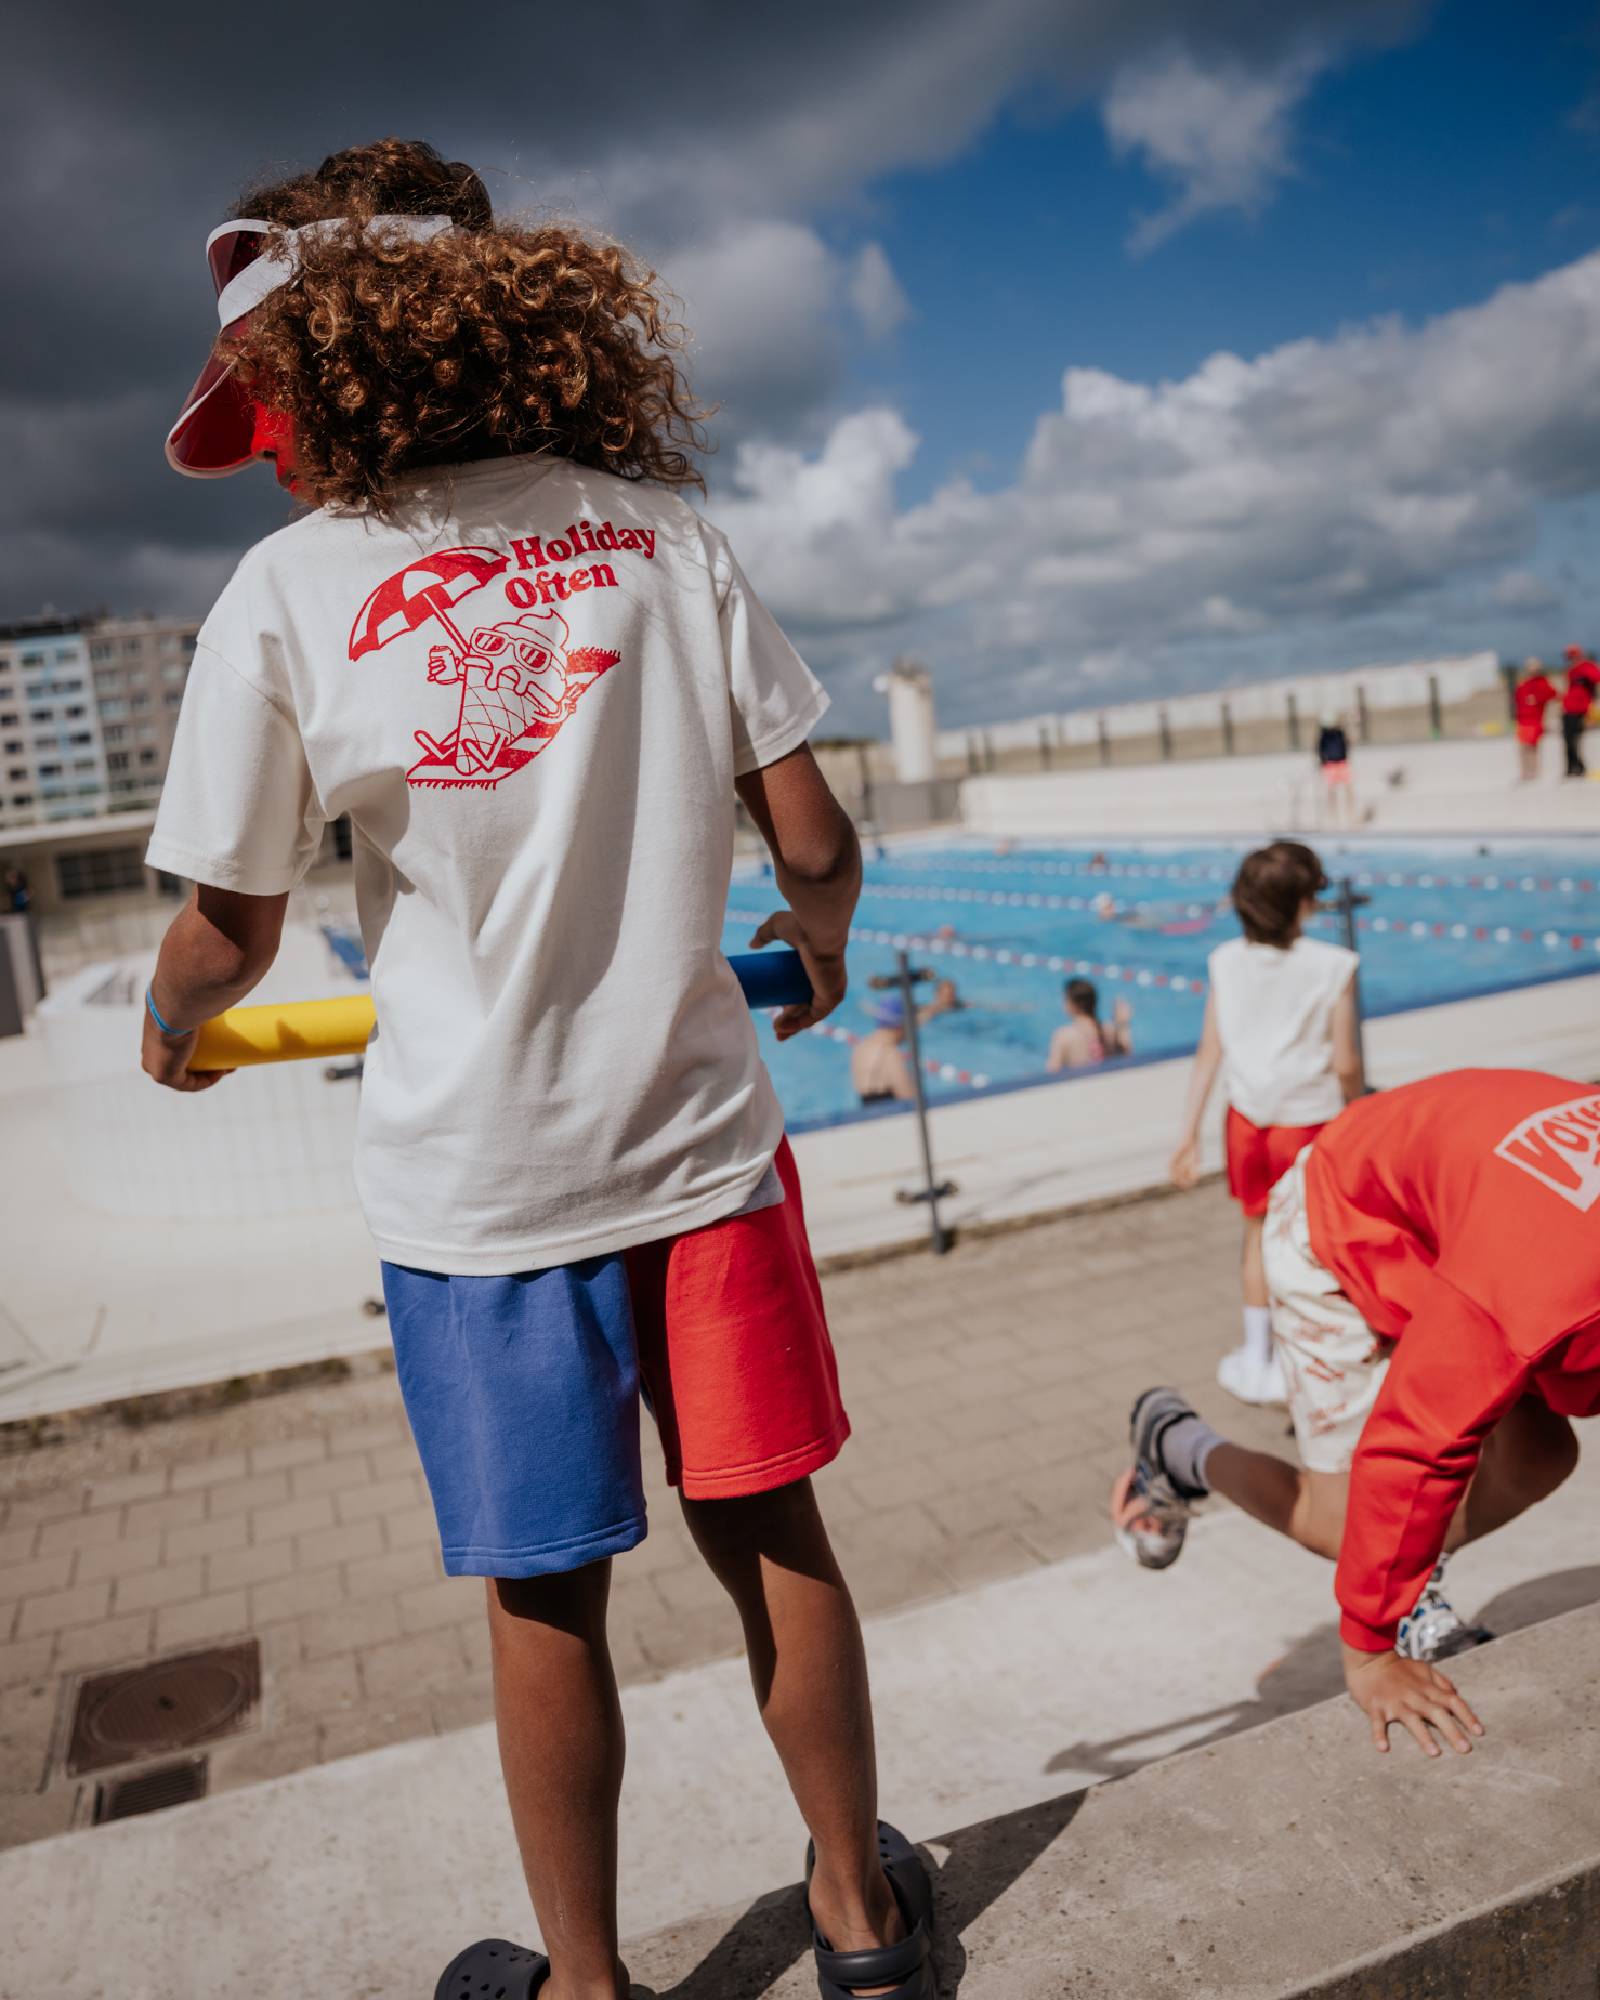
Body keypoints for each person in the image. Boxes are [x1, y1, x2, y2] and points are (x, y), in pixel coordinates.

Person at [141, 140, 934, 2000]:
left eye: (261, 403)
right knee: (772, 1535)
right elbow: (815, 847)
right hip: (703, 1158)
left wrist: (175, 1034)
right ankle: (859, 1920)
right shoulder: (662, 534)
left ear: (324, 367)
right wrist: (814, 954)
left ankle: (585, 1989)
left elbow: (229, 931)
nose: (263, 446)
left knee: (545, 1597)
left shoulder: (285, 594)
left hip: (484, 1199)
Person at [1113, 1068, 1597, 1758]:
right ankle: (1176, 1443)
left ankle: (1412, 1578)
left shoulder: (1542, 1286)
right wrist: (1369, 1652)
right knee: (1346, 1527)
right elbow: (1412, 1450)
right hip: (1337, 1221)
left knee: (1540, 1458)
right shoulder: (1535, 1295)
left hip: (1446, 1206)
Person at [1170, 842, 1361, 1406]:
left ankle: (1259, 1361)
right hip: (1311, 1123)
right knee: (1321, 1242)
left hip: (1247, 1121)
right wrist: (1360, 1113)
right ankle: (1321, 1357)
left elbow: (1210, 1052)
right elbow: (1347, 1063)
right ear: (1303, 903)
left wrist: (1187, 1135)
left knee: (1256, 1236)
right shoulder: (1332, 966)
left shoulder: (1224, 961)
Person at [851, 980, 958, 1103]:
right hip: (890, 1116)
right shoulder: (890, 1055)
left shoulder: (861, 1047)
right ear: (900, 1026)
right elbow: (909, 1099)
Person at [1046, 977, 1132, 1071]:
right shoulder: (1110, 1030)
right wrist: (1123, 1025)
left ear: (1072, 1004)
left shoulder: (1064, 1036)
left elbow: (1051, 1073)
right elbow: (1127, 1060)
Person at [1512, 658, 1559, 782]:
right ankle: (1525, 772)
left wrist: (1537, 699)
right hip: (1523, 720)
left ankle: (1533, 772)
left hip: (1535, 720)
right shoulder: (1524, 683)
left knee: (1532, 747)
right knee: (1523, 748)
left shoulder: (1542, 682)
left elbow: (1554, 695)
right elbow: (1517, 700)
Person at [1561, 645, 1599, 779]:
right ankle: (1571, 767)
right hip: (1568, 709)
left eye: (1572, 656)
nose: (1571, 659)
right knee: (1567, 739)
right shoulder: (1571, 670)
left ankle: (1579, 767)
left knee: (1575, 739)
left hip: (1580, 710)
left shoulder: (1586, 667)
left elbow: (1596, 678)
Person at [1314, 710, 1354, 826]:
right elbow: (1319, 750)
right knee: (1331, 790)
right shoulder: (1323, 735)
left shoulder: (1340, 732)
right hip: (1330, 765)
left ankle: (1350, 813)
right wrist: (1321, 763)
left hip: (1342, 762)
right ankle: (1333, 816)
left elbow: (1348, 743)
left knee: (1348, 788)